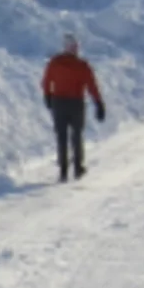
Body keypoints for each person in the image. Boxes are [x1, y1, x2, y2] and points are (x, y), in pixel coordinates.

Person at [41, 33, 105, 182]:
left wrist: (47, 95)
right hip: (76, 103)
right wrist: (98, 103)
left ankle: (63, 170)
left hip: (58, 103)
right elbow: (91, 86)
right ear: (75, 48)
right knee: (76, 135)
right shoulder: (82, 65)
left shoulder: (54, 62)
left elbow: (46, 81)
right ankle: (78, 167)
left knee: (61, 136)